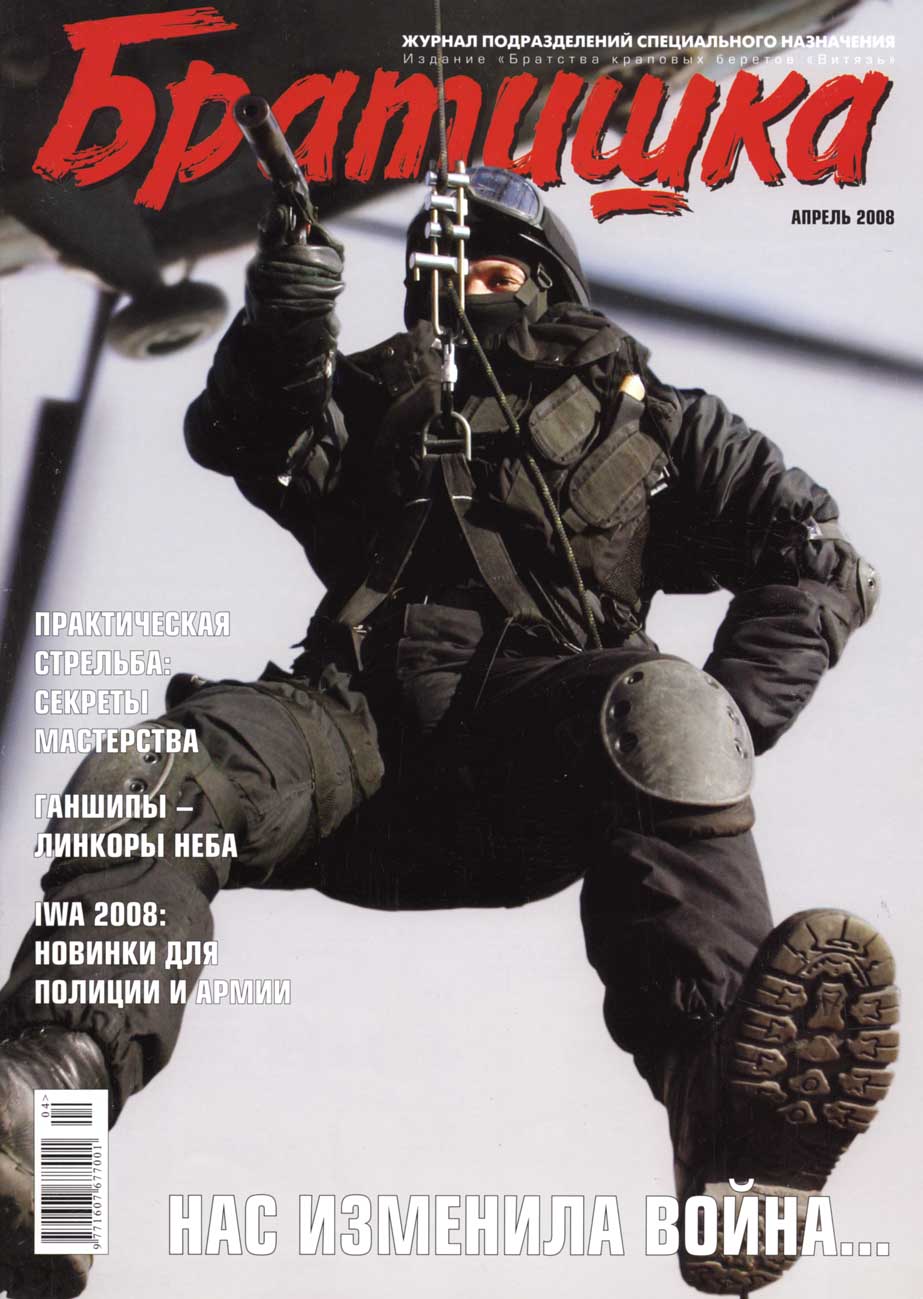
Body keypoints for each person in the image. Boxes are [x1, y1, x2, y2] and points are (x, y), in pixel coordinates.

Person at [0, 167, 897, 1299]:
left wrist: (713, 732)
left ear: (550, 280)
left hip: (538, 748)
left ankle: (730, 1133)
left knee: (666, 708)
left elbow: (816, 557)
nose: (465, 284)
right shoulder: (376, 394)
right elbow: (249, 433)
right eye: (444, 267)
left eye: (494, 266)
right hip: (352, 731)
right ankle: (43, 1145)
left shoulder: (653, 418)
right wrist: (284, 313)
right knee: (157, 771)